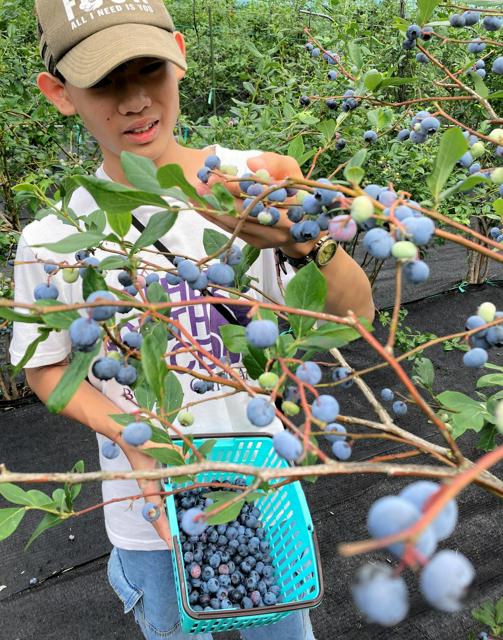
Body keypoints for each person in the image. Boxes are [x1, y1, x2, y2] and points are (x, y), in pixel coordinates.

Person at [10, 1, 375, 639]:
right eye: (103, 82)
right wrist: (130, 433)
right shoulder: (54, 239)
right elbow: (48, 369)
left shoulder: (252, 187)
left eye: (148, 69)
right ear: (60, 94)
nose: (132, 101)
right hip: (149, 517)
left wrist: (304, 241)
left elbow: (354, 319)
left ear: (179, 57)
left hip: (262, 497)